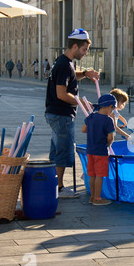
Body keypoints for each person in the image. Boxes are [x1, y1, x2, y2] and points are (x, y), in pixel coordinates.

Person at [45, 28, 99, 199]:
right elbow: (61, 94)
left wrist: (85, 74)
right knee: (63, 151)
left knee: (56, 151)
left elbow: (70, 76)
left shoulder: (64, 62)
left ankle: (54, 185)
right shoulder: (63, 64)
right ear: (75, 46)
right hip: (61, 114)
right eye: (84, 50)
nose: (85, 53)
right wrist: (81, 102)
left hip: (57, 113)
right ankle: (59, 188)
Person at [81, 94, 116, 206]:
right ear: (110, 106)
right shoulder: (108, 120)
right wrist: (109, 144)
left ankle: (92, 197)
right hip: (101, 151)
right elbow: (110, 138)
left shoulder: (91, 117)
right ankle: (97, 198)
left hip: (90, 150)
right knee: (99, 176)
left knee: (92, 175)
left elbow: (83, 130)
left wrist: (93, 130)